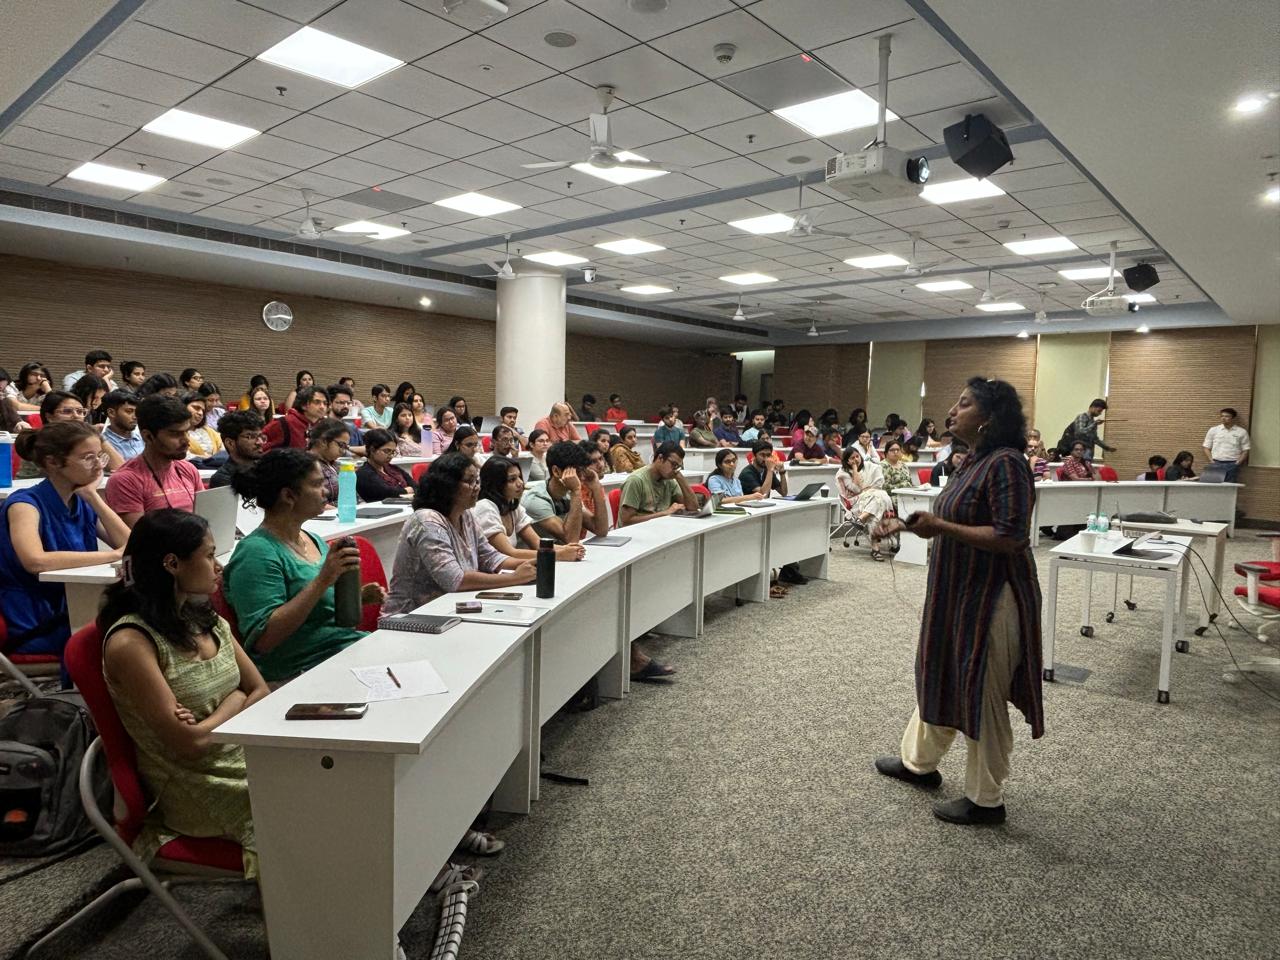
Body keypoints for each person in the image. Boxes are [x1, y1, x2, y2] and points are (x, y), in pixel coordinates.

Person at [874, 377, 1043, 826]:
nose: (952, 411)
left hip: (992, 598)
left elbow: (1010, 536)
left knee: (980, 687)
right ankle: (918, 764)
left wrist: (941, 528)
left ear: (989, 417)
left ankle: (986, 800)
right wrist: (911, 525)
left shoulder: (1007, 463)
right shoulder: (972, 461)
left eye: (964, 404)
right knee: (943, 671)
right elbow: (956, 517)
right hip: (957, 591)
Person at [98, 509, 269, 877]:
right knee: (303, 804)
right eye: (209, 555)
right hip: (196, 786)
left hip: (242, 757)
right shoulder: (131, 642)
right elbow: (190, 745)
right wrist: (236, 699)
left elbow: (260, 689)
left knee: (322, 782)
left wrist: (219, 714)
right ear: (172, 564)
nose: (218, 566)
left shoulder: (206, 619)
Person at [225, 449, 385, 682]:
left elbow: (317, 609)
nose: (326, 491)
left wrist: (358, 598)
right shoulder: (255, 553)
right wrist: (323, 580)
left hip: (343, 651)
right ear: (289, 496)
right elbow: (264, 640)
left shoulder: (312, 539)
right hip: (301, 670)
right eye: (317, 484)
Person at [0, 422, 130, 664]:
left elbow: (130, 545)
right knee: (127, 638)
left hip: (73, 606)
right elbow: (35, 561)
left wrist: (93, 496)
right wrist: (113, 556)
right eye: (87, 458)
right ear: (52, 462)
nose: (98, 465)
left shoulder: (79, 500)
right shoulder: (24, 504)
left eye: (99, 456)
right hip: (35, 620)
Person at [383, 453, 536, 613]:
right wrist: (514, 578)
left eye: (477, 481)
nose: (477, 487)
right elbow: (454, 580)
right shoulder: (427, 521)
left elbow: (490, 557)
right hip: (411, 616)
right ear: (447, 485)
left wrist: (532, 564)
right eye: (470, 481)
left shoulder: (465, 514)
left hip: (449, 609)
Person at [104, 395, 203, 526]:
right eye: (175, 434)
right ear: (148, 436)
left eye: (186, 432)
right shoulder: (125, 480)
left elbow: (206, 519)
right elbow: (138, 536)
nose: (186, 441)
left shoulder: (189, 469)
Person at [474, 457, 584, 563]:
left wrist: (567, 549)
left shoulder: (512, 507)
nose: (520, 483)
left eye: (519, 477)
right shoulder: (485, 508)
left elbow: (537, 544)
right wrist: (560, 554)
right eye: (512, 479)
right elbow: (509, 553)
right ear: (495, 483)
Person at [523, 441, 611, 543]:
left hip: (561, 551)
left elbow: (601, 530)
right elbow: (571, 540)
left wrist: (596, 487)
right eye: (577, 471)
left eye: (583, 470)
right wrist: (576, 492)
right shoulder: (535, 500)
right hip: (537, 553)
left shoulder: (568, 493)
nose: (582, 477)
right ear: (556, 471)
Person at [616, 442, 699, 526]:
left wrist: (680, 477)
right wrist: (665, 513)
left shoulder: (669, 480)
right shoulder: (636, 480)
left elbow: (693, 508)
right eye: (673, 464)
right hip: (636, 531)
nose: (675, 470)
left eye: (678, 467)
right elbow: (626, 521)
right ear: (660, 458)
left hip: (659, 528)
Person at [836, 447, 893, 561]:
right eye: (852, 458)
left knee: (878, 498)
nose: (856, 459)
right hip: (856, 503)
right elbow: (857, 489)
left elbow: (879, 483)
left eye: (857, 456)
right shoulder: (843, 473)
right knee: (880, 497)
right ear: (847, 461)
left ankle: (863, 522)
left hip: (872, 500)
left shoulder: (870, 466)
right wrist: (854, 469)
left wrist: (869, 489)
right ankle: (874, 548)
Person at [263, 385, 328, 451]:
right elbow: (261, 448)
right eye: (317, 402)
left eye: (325, 403)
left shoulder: (324, 426)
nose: (322, 407)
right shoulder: (284, 423)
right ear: (304, 405)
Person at [209, 410, 265, 488]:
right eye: (250, 437)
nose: (260, 442)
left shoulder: (267, 468)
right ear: (230, 443)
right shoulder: (223, 479)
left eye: (260, 436)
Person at [356, 428, 414, 501]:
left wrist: (407, 490)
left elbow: (415, 485)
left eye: (393, 452)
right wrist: (406, 491)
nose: (391, 456)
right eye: (387, 451)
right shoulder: (363, 473)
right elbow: (386, 493)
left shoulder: (392, 468)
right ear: (372, 449)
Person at [307, 418, 350, 504]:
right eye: (341, 445)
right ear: (324, 441)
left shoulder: (336, 465)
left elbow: (352, 495)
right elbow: (310, 502)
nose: (343, 451)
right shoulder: (306, 466)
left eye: (345, 447)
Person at [1203, 408, 1250, 482]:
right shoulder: (1213, 430)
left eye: (1227, 416)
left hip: (1232, 464)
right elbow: (1206, 447)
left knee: (1230, 486)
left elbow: (1246, 450)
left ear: (1233, 418)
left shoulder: (1241, 432)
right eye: (1222, 416)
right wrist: (1212, 461)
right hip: (1216, 463)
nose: (1223, 418)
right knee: (1214, 485)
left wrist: (1237, 463)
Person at [100, 389, 145, 461]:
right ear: (111, 413)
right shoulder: (103, 443)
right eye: (129, 411)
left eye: (137, 412)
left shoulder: (142, 436)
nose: (135, 417)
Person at [183, 391, 224, 468]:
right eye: (196, 408)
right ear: (183, 407)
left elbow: (223, 450)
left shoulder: (209, 431)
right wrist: (209, 459)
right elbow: (183, 456)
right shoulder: (177, 433)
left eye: (203, 410)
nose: (200, 413)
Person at [326, 384, 365, 456]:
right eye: (341, 403)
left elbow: (365, 449)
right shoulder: (321, 427)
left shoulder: (352, 428)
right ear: (330, 404)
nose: (346, 406)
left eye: (348, 403)